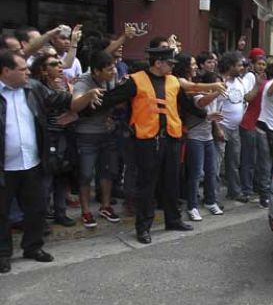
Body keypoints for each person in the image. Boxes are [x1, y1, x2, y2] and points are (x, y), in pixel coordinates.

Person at [83, 45, 201, 244]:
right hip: (146, 141)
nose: (173, 67)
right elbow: (112, 98)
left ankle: (173, 219)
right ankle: (143, 227)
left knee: (172, 181)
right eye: (169, 63)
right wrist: (82, 109)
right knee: (147, 185)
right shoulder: (136, 81)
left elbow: (186, 105)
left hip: (171, 138)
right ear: (158, 63)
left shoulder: (173, 81)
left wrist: (206, 115)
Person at [0, 50, 104, 273]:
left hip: (33, 163)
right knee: (2, 214)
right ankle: (3, 254)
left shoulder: (34, 89)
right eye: (22, 69)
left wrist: (85, 96)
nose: (28, 72)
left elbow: (62, 99)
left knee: (36, 209)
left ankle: (33, 247)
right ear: (6, 71)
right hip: (5, 168)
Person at [72, 51, 122, 228]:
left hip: (107, 133)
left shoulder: (111, 79)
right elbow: (74, 105)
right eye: (109, 69)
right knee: (86, 174)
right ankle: (86, 211)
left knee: (107, 172)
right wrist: (89, 94)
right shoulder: (83, 81)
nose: (113, 71)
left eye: (114, 67)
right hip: (86, 135)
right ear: (96, 71)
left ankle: (105, 206)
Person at [29, 54, 77, 227]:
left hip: (65, 136)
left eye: (59, 63)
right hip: (47, 138)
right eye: (53, 64)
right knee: (46, 181)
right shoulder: (37, 88)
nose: (59, 67)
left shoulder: (65, 84)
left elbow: (74, 106)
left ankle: (60, 212)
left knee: (63, 175)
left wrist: (73, 113)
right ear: (43, 69)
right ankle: (41, 219)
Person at [179, 59, 225, 222]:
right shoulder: (198, 94)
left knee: (211, 172)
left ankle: (210, 201)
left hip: (208, 138)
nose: (221, 86)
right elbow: (203, 102)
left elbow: (214, 115)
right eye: (217, 84)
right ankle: (192, 206)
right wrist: (216, 92)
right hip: (194, 138)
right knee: (196, 174)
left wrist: (217, 128)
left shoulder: (213, 95)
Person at [215, 52, 249, 203]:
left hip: (235, 128)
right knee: (216, 164)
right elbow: (213, 106)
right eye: (239, 65)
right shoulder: (220, 82)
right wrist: (217, 128)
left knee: (234, 162)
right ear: (230, 66)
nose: (242, 68)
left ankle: (234, 191)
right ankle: (213, 196)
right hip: (221, 126)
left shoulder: (240, 82)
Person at [239, 54, 272, 209]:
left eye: (264, 65)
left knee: (261, 160)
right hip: (249, 123)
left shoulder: (268, 82)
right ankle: (246, 190)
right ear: (252, 65)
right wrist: (257, 86)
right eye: (259, 64)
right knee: (248, 159)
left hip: (263, 125)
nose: (261, 67)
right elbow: (247, 98)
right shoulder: (251, 79)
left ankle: (257, 188)